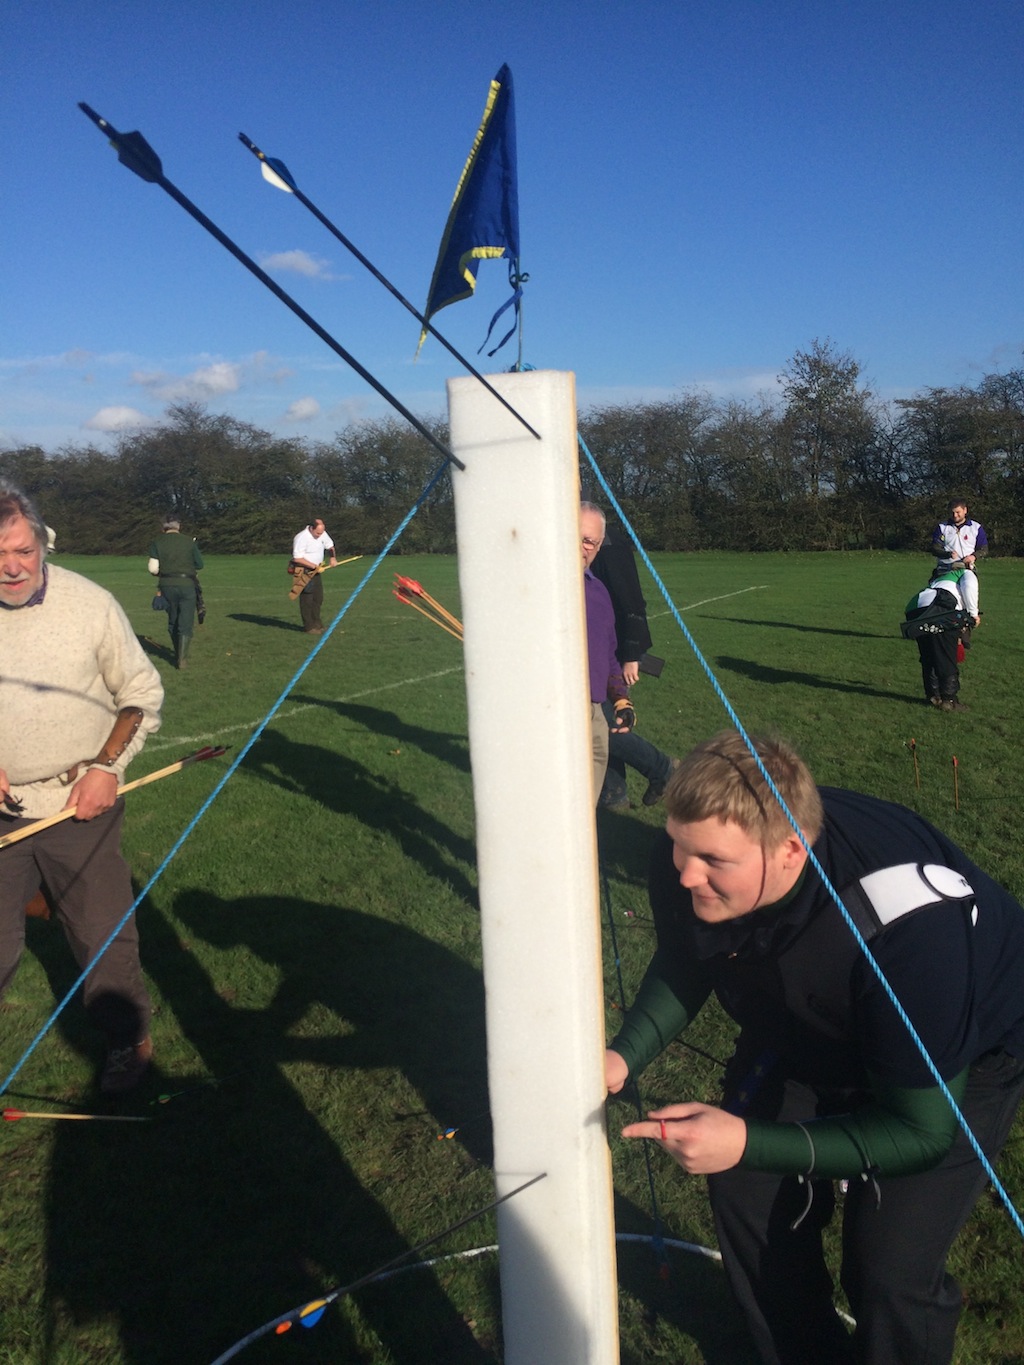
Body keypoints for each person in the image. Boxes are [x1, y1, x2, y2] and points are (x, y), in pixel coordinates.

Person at [606, 730, 1024, 1364]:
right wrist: (623, 1055)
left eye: (713, 861)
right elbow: (687, 959)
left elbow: (919, 1132)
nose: (684, 872)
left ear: (790, 853)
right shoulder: (692, 852)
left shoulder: (911, 932)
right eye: (677, 846)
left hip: (957, 1055)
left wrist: (745, 1138)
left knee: (888, 1268)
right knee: (744, 1190)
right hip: (803, 1017)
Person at [0, 481, 164, 1095]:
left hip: (79, 804)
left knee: (101, 935)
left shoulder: (89, 604)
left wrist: (105, 769)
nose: (11, 568)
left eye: (22, 550)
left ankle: (128, 1042)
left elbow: (140, 694)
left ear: (41, 542)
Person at [590, 520, 676, 809]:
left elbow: (631, 602)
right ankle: (613, 791)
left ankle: (662, 769)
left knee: (600, 722)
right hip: (594, 645)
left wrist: (629, 655)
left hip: (612, 650)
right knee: (602, 720)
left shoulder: (609, 543)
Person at [580, 504, 634, 801]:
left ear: (599, 547)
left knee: (587, 807)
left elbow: (610, 655)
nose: (581, 547)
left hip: (594, 713)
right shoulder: (540, 588)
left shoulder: (599, 592)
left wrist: (622, 699)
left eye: (589, 541)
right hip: (555, 712)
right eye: (573, 536)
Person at [903, 565, 979, 711]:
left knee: (928, 655)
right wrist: (973, 613)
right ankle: (949, 700)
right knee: (946, 655)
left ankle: (933, 696)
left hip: (914, 608)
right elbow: (969, 586)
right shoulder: (965, 573)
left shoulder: (937, 581)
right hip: (939, 607)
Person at [147, 515, 204, 669]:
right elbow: (199, 564)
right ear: (178, 526)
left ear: (163, 527)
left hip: (166, 585)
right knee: (186, 621)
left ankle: (177, 651)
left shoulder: (157, 542)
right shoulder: (188, 541)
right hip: (187, 585)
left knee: (173, 619)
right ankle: (182, 659)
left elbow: (153, 568)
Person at [291, 517, 338, 633]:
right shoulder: (301, 538)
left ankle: (318, 624)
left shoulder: (322, 534)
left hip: (317, 570)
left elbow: (330, 546)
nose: (319, 535)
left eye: (321, 533)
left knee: (318, 598)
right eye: (317, 533)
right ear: (311, 528)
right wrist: (313, 566)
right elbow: (297, 558)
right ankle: (309, 627)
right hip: (304, 570)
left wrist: (333, 558)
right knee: (307, 599)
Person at [931, 498, 988, 575]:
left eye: (958, 512)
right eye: (952, 512)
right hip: (946, 568)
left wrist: (973, 557)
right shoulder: (942, 527)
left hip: (967, 568)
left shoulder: (976, 527)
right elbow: (935, 549)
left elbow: (983, 549)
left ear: (965, 510)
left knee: (970, 586)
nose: (955, 515)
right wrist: (948, 554)